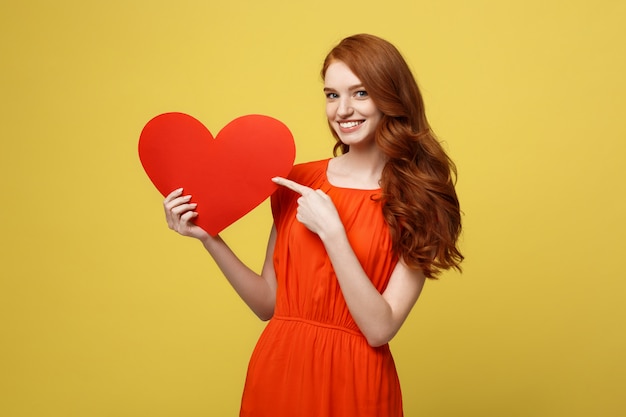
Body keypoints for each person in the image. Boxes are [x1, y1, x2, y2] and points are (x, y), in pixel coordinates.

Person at [163, 33, 463, 417]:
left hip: (356, 383)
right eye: (332, 95)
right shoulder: (297, 181)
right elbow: (267, 303)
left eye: (360, 93)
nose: (342, 110)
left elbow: (379, 328)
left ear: (390, 97)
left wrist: (333, 233)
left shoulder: (421, 199)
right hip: (278, 372)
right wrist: (211, 238)